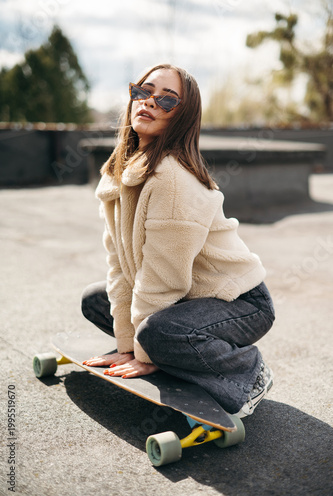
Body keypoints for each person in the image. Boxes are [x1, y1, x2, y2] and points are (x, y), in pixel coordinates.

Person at [81, 63, 275, 417]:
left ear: (182, 118)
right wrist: (127, 346)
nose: (149, 102)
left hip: (240, 302)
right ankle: (176, 353)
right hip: (187, 297)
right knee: (95, 301)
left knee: (157, 334)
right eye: (142, 92)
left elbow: (164, 277)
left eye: (166, 101)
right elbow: (119, 266)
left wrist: (145, 350)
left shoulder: (173, 179)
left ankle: (246, 371)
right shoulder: (118, 176)